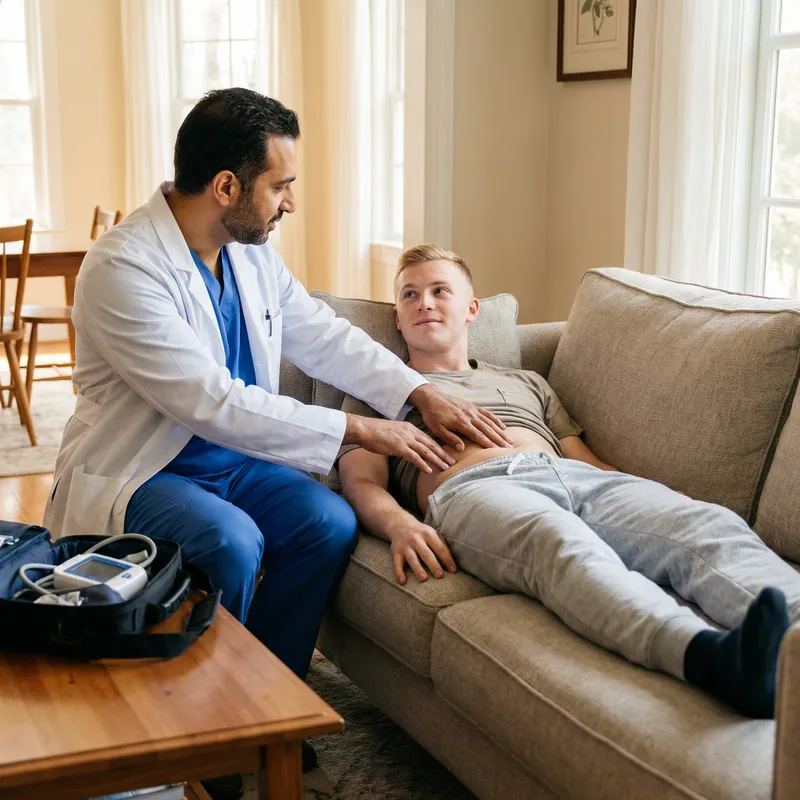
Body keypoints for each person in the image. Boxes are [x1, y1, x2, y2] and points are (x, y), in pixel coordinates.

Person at [46, 90, 512, 785]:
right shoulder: (124, 267)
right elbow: (210, 402)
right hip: (146, 471)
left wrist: (418, 393)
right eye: (281, 185)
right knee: (231, 543)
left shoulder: (251, 254)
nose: (291, 202)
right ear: (227, 185)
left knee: (325, 521)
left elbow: (323, 337)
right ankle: (205, 739)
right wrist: (363, 427)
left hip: (235, 460)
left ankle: (266, 711)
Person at [338, 243, 800, 721]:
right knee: (560, 544)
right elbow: (360, 480)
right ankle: (707, 657)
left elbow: (585, 459)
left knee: (704, 524)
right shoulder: (377, 390)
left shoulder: (527, 381)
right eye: (410, 295)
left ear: (472, 309)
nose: (425, 303)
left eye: (439, 291)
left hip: (568, 474)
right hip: (474, 489)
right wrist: (398, 525)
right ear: (396, 317)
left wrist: (652, 493)